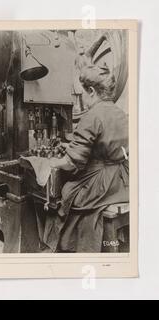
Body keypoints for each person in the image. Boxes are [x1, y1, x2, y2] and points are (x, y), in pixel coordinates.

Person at [44, 64, 129, 252]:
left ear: (91, 91)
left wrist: (52, 162)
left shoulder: (92, 115)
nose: (80, 98)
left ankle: (67, 245)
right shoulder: (120, 113)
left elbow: (70, 162)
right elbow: (106, 145)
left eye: (82, 93)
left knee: (67, 190)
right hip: (123, 181)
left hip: (101, 186)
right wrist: (71, 146)